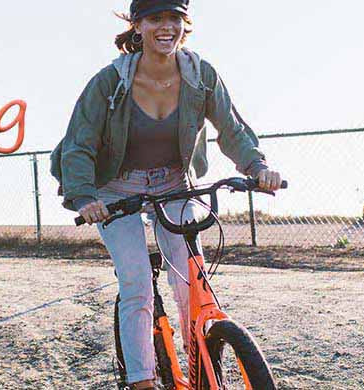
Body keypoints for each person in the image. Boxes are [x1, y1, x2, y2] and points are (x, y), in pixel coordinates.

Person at [55, 0, 283, 388]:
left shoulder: (200, 76)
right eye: (155, 18)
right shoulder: (110, 82)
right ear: (137, 25)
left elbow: (231, 130)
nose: (166, 27)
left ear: (185, 23)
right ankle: (142, 380)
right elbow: (79, 143)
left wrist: (258, 169)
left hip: (175, 181)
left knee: (189, 281)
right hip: (116, 188)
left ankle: (199, 372)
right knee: (137, 283)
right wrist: (84, 196)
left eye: (174, 18)